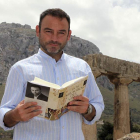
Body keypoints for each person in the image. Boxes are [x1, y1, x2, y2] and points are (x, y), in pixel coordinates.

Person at [0, 8, 104, 140]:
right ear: (38, 31)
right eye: (48, 31)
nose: (54, 39)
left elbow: (98, 105)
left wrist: (88, 109)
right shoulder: (20, 69)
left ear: (69, 35)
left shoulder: (82, 68)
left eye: (61, 33)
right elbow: (4, 115)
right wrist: (15, 115)